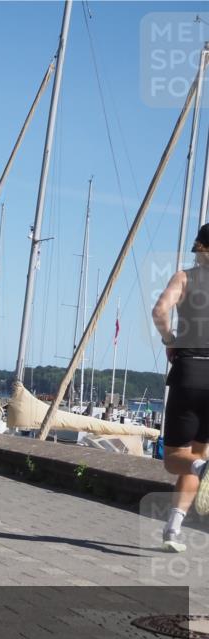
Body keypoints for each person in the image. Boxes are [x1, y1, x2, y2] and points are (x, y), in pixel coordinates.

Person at [152, 222, 209, 553]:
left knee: (177, 459)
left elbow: (160, 311)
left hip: (190, 372)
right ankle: (173, 529)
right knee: (197, 454)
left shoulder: (185, 278)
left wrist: (169, 340)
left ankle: (202, 469)